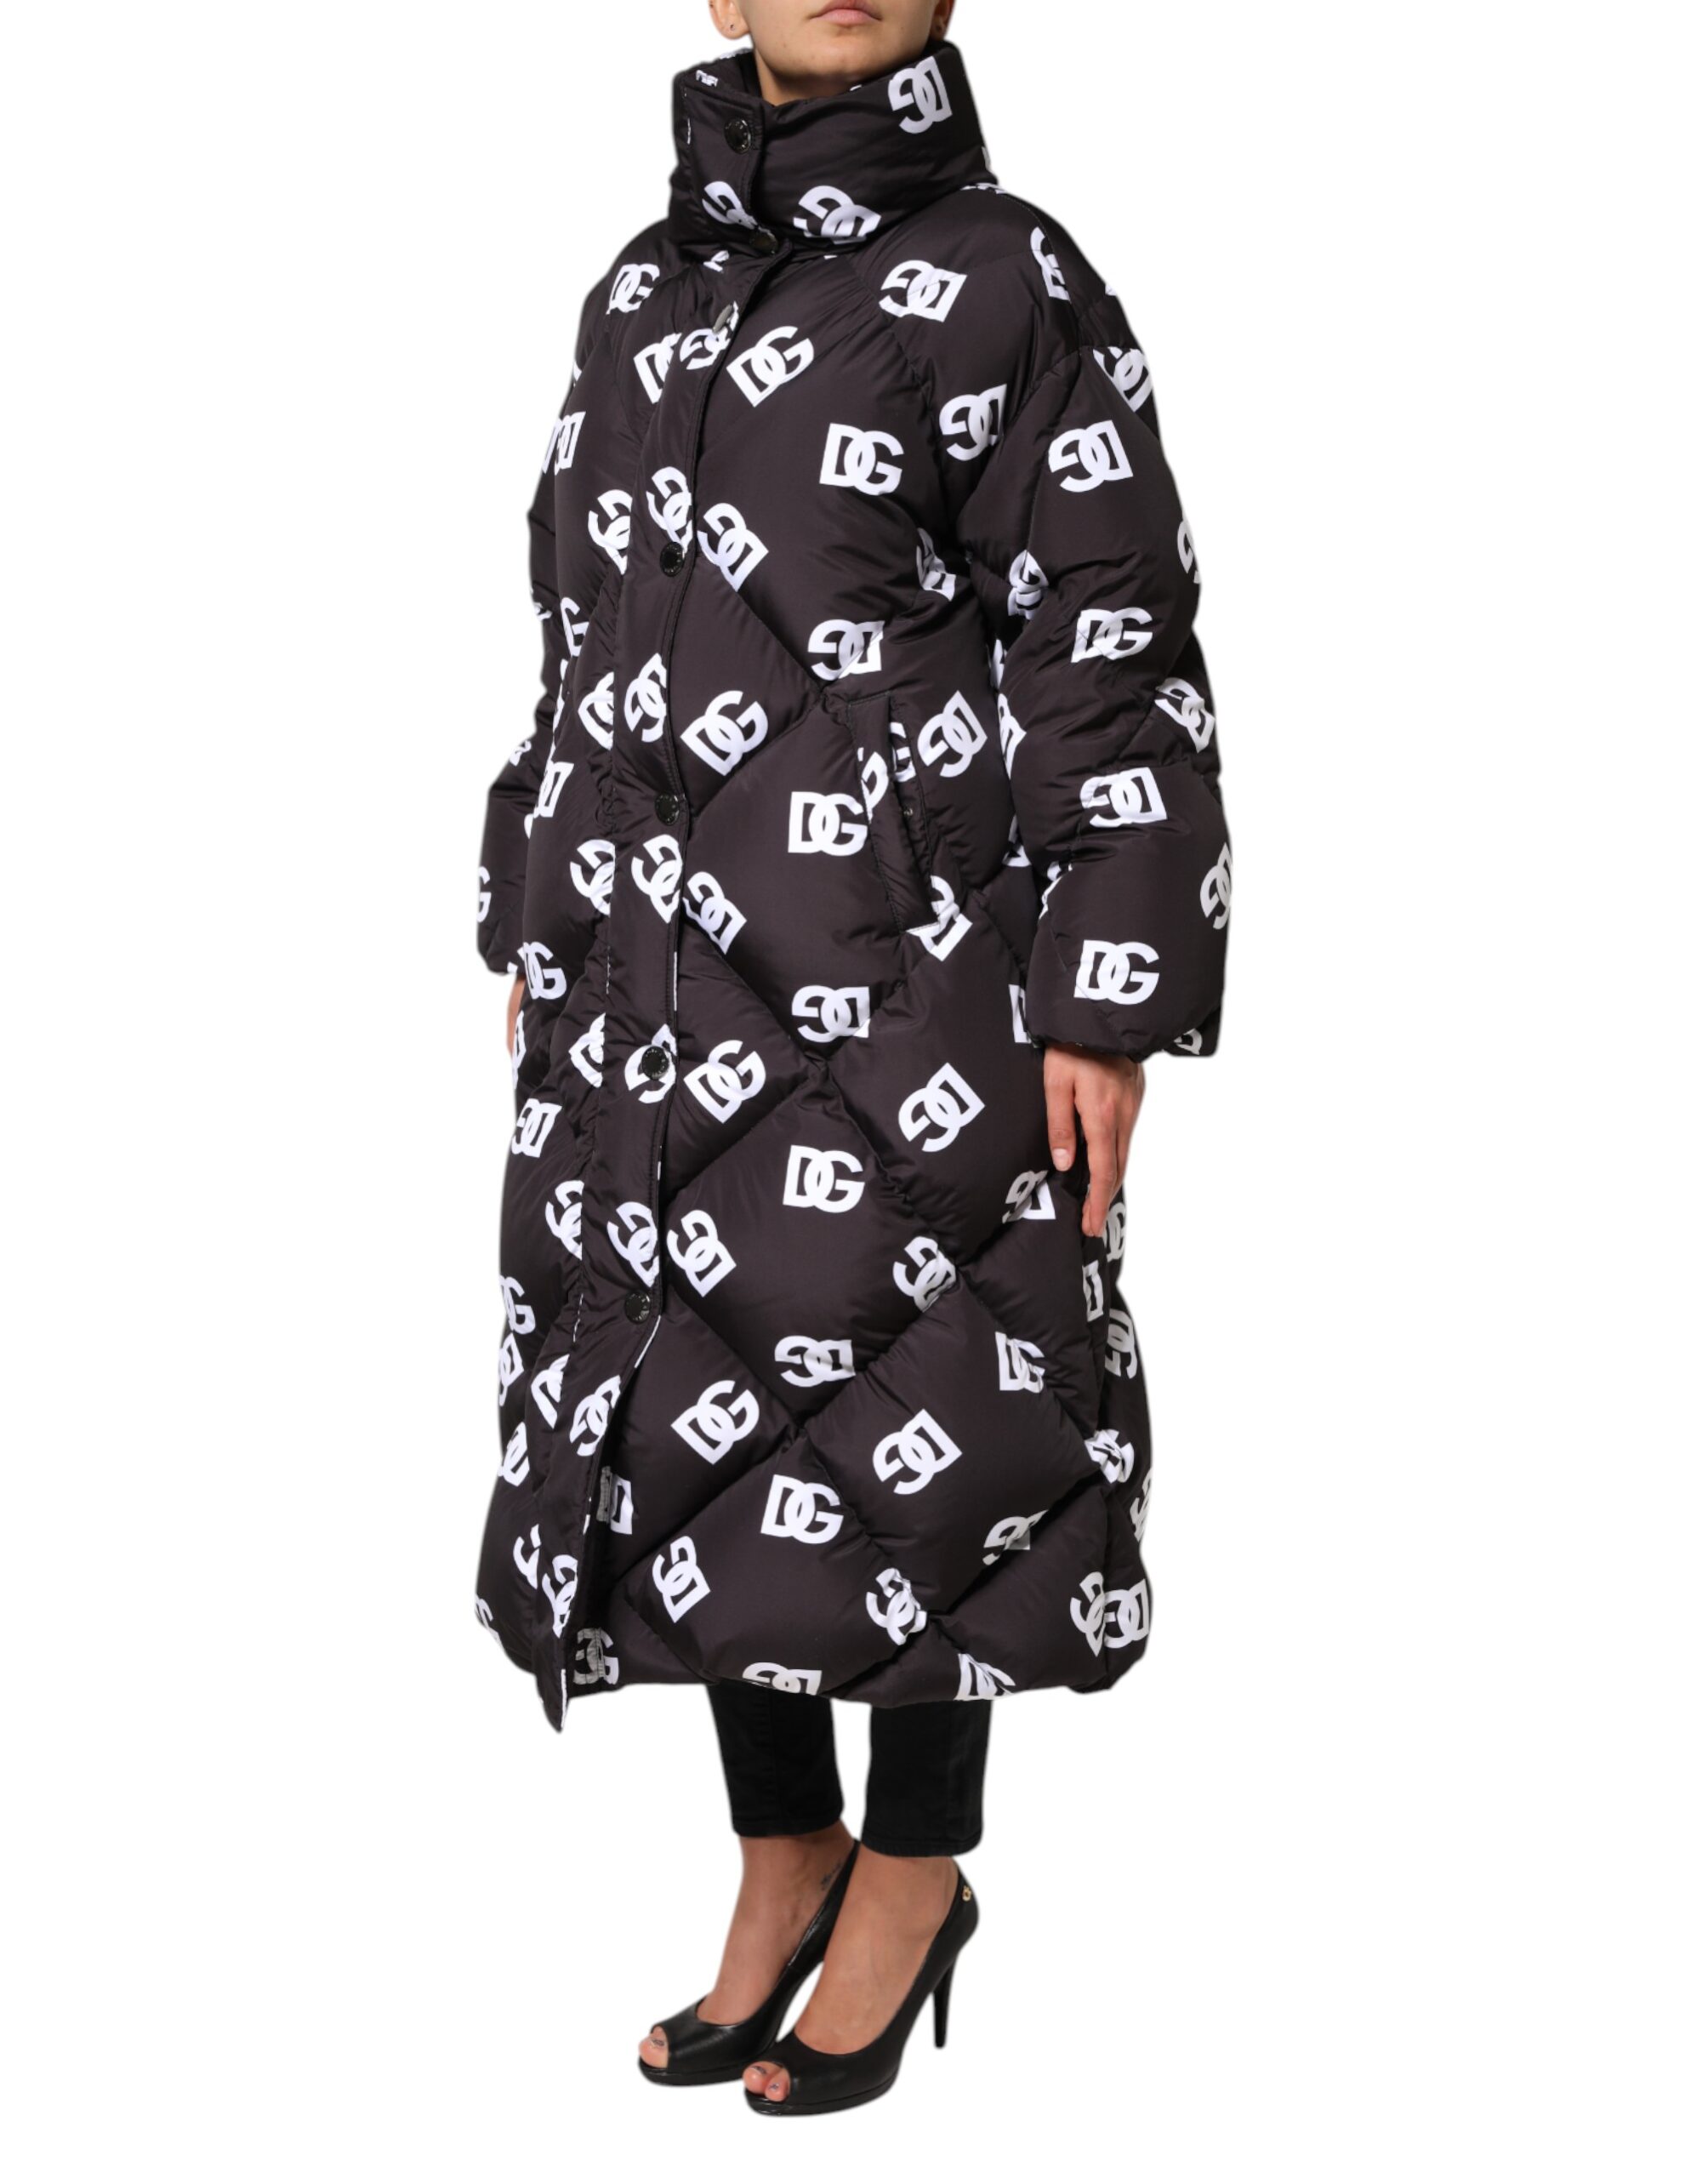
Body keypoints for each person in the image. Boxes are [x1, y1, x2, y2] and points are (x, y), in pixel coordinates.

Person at [474, 0, 1230, 2116]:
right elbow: (574, 636)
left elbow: (1105, 638)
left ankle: (912, 1872)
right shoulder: (638, 298)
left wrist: (1106, 987)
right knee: (696, 1412)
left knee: (927, 1410)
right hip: (650, 977)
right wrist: (532, 898)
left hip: (914, 987)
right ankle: (779, 1846)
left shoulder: (1007, 274)